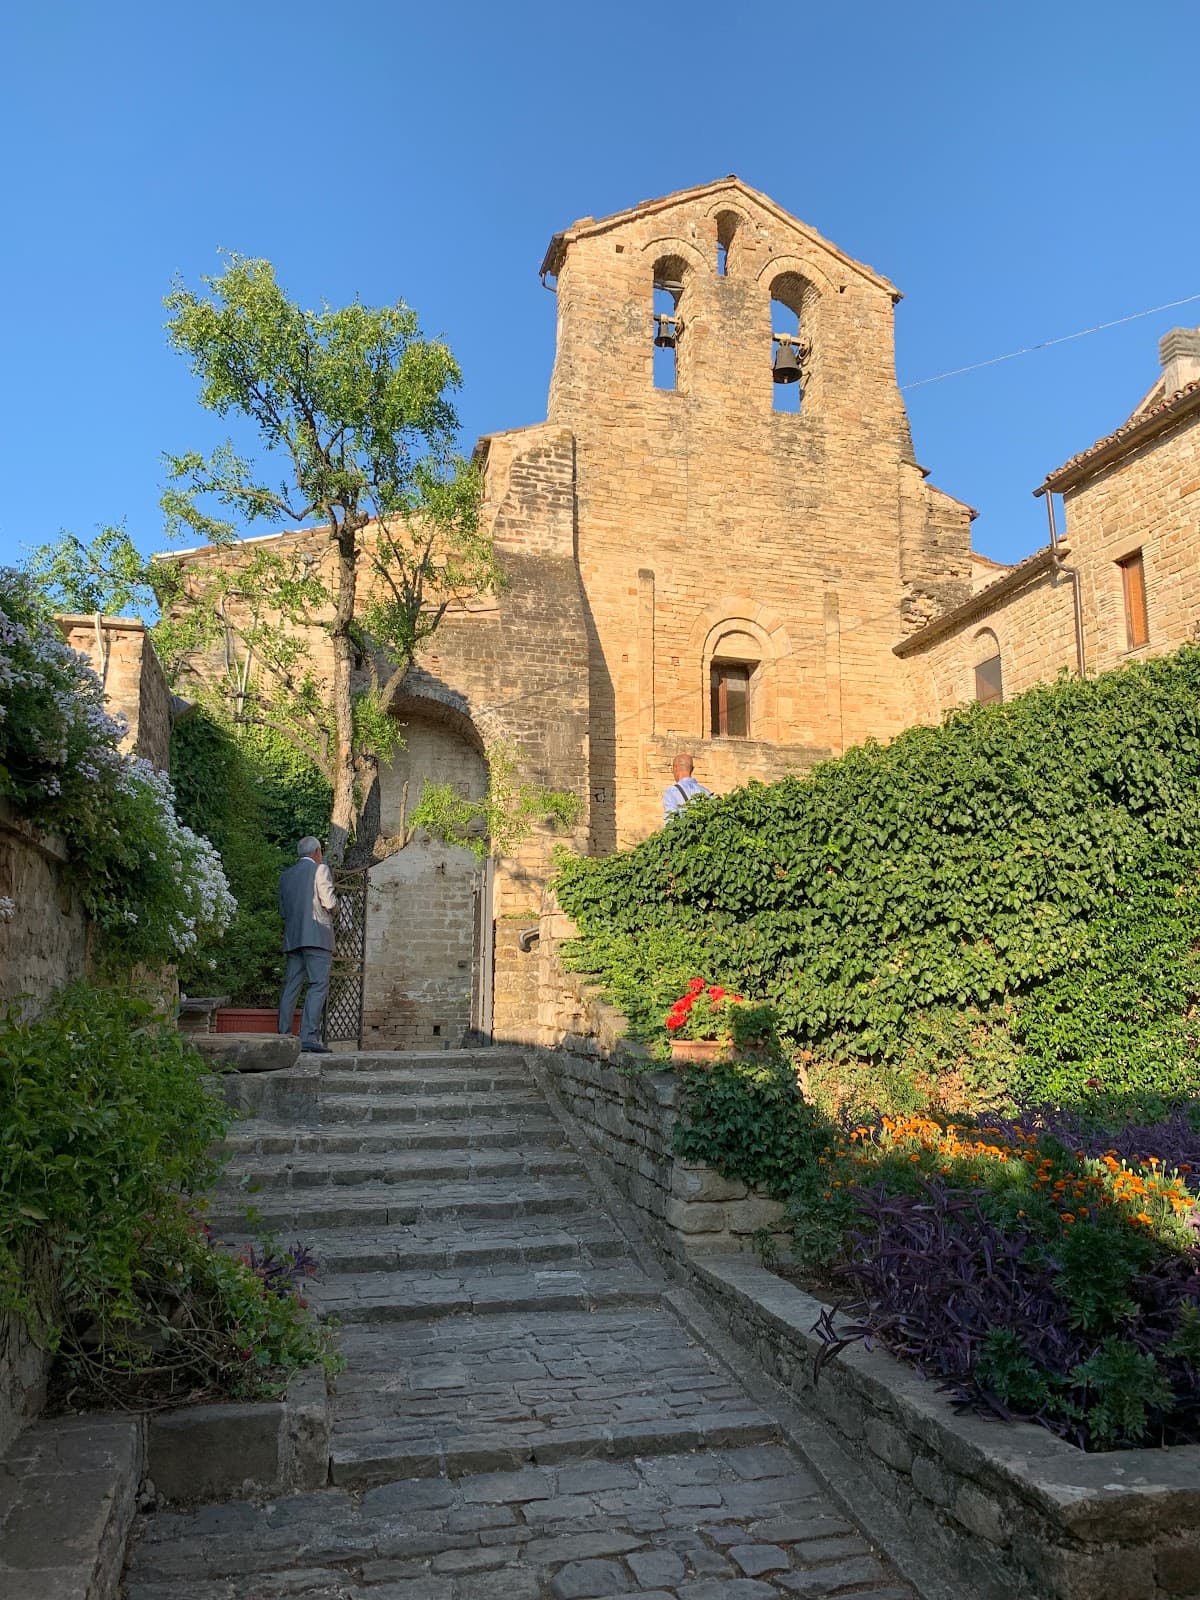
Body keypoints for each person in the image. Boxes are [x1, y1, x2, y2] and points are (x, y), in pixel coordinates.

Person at [277, 836, 339, 1055]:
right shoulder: (320, 870)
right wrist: (335, 911)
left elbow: (283, 911)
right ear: (317, 852)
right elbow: (329, 902)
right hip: (317, 937)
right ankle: (308, 1037)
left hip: (293, 939)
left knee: (291, 986)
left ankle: (283, 1035)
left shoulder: (286, 876)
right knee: (318, 985)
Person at [662, 752, 711, 821]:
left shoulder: (671, 792)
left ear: (675, 768)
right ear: (692, 769)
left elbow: (670, 821)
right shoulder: (706, 792)